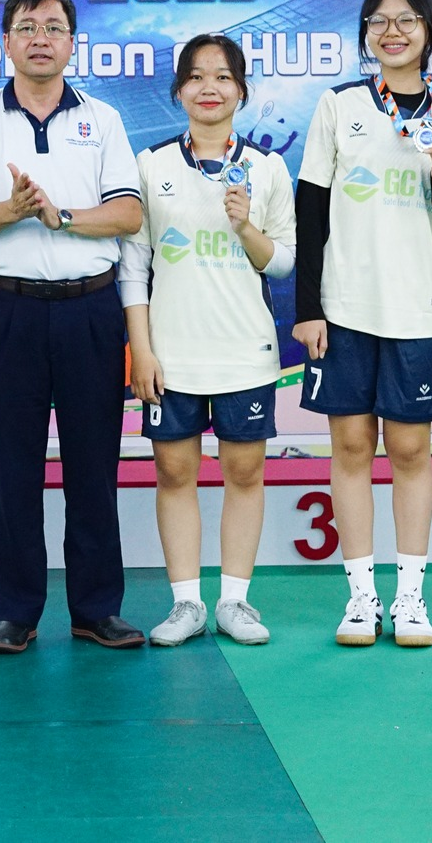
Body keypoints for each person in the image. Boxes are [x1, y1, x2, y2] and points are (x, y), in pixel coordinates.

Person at [0, 0, 145, 653]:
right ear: (6, 42)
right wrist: (16, 209)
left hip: (91, 310)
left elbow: (128, 213)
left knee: (95, 466)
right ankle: (16, 611)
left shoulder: (103, 119)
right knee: (12, 467)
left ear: (72, 43)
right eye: (27, 27)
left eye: (54, 28)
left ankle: (96, 608)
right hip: (12, 310)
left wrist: (60, 216)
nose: (40, 39)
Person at [291, 0, 432, 648]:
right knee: (350, 447)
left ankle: (411, 596)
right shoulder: (339, 104)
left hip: (415, 308)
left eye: (406, 20)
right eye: (379, 21)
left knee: (411, 449)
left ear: (429, 30)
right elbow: (311, 210)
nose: (392, 31)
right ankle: (361, 597)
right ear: (366, 32)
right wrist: (308, 308)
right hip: (344, 306)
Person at [124, 34, 295, 647]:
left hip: (244, 351)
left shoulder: (267, 168)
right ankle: (186, 603)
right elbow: (133, 266)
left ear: (241, 92)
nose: (209, 88)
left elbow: (283, 263)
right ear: (179, 92)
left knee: (244, 472)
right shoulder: (151, 165)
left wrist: (245, 226)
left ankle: (235, 601)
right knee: (175, 473)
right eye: (196, 77)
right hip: (171, 355)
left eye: (223, 77)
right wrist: (142, 349)